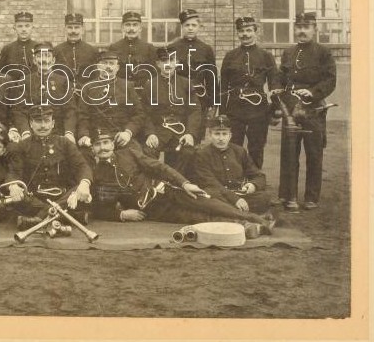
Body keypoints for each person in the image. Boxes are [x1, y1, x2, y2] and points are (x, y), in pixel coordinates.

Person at [86, 128, 274, 231]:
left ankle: (255, 219)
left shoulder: (129, 153)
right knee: (197, 219)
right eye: (98, 145)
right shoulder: (95, 174)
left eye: (106, 143)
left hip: (167, 191)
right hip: (153, 210)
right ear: (92, 149)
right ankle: (245, 226)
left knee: (208, 204)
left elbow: (161, 167)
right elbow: (98, 207)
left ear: (113, 143)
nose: (103, 148)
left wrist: (185, 183)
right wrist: (121, 215)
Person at [274, 12, 337, 212]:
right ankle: (286, 194)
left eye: (306, 27)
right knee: (289, 152)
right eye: (299, 27)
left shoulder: (323, 53)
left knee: (314, 152)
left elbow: (330, 80)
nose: (302, 31)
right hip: (291, 108)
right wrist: (277, 92)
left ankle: (311, 197)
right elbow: (280, 78)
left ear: (314, 29)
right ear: (294, 29)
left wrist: (311, 92)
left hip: (313, 108)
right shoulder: (288, 53)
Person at [4, 106, 92, 220]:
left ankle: (39, 219)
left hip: (62, 196)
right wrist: (13, 185)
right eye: (38, 121)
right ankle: (65, 217)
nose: (43, 126)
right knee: (18, 197)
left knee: (81, 191)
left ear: (53, 123)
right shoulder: (22, 146)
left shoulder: (64, 143)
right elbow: (14, 171)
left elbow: (82, 166)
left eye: (46, 121)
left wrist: (85, 184)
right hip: (34, 199)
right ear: (31, 123)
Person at [220, 15, 279, 169]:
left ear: (255, 32)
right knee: (233, 145)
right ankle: (235, 177)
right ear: (237, 33)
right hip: (235, 109)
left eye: (248, 30)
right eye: (241, 31)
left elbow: (274, 84)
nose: (245, 34)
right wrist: (222, 111)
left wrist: (275, 110)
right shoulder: (230, 56)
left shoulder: (266, 56)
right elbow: (223, 86)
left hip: (258, 110)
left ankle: (255, 178)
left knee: (256, 147)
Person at [193, 114, 277, 218]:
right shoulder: (202, 154)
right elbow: (210, 182)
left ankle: (230, 213)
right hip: (218, 195)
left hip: (240, 194)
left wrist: (252, 185)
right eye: (217, 134)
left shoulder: (239, 152)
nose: (221, 138)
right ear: (210, 135)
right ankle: (246, 215)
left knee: (264, 197)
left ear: (230, 135)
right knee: (209, 197)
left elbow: (259, 176)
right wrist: (235, 199)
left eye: (224, 134)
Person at [140, 46, 203, 175]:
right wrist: (150, 133)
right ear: (158, 64)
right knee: (148, 151)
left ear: (177, 62)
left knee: (188, 152)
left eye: (171, 60)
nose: (167, 64)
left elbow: (194, 110)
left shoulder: (186, 83)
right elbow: (145, 113)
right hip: (160, 131)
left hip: (181, 131)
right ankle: (154, 184)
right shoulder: (150, 84)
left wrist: (190, 134)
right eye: (164, 61)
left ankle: (175, 183)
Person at [76, 49, 144, 151]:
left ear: (117, 68)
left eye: (112, 64)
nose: (108, 67)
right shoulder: (88, 88)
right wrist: (84, 135)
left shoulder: (127, 86)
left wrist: (128, 132)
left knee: (135, 154)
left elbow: (139, 114)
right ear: (98, 66)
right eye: (104, 63)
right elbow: (82, 116)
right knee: (83, 156)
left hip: (120, 136)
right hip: (96, 137)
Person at [11, 42, 77, 143]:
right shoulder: (25, 81)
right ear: (34, 60)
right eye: (40, 56)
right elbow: (19, 111)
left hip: (58, 132)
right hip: (32, 132)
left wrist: (69, 132)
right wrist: (25, 132)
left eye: (47, 56)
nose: (44, 60)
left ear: (53, 60)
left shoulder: (63, 81)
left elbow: (70, 110)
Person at [169, 8, 219, 140]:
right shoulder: (172, 48)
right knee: (175, 135)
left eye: (194, 25)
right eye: (187, 25)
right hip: (178, 99)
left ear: (199, 27)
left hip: (199, 99)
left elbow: (211, 78)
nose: (190, 28)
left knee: (195, 137)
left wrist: (213, 103)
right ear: (182, 27)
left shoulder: (206, 49)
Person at [108, 10, 157, 93]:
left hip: (143, 91)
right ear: (122, 27)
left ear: (140, 28)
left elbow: (155, 74)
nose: (131, 29)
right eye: (128, 25)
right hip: (121, 91)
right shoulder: (114, 47)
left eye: (135, 25)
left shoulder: (148, 48)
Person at [53, 12, 99, 91]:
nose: (73, 31)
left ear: (83, 30)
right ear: (65, 29)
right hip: (63, 94)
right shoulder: (57, 50)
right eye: (70, 27)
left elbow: (96, 76)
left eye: (77, 27)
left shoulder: (92, 50)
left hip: (86, 94)